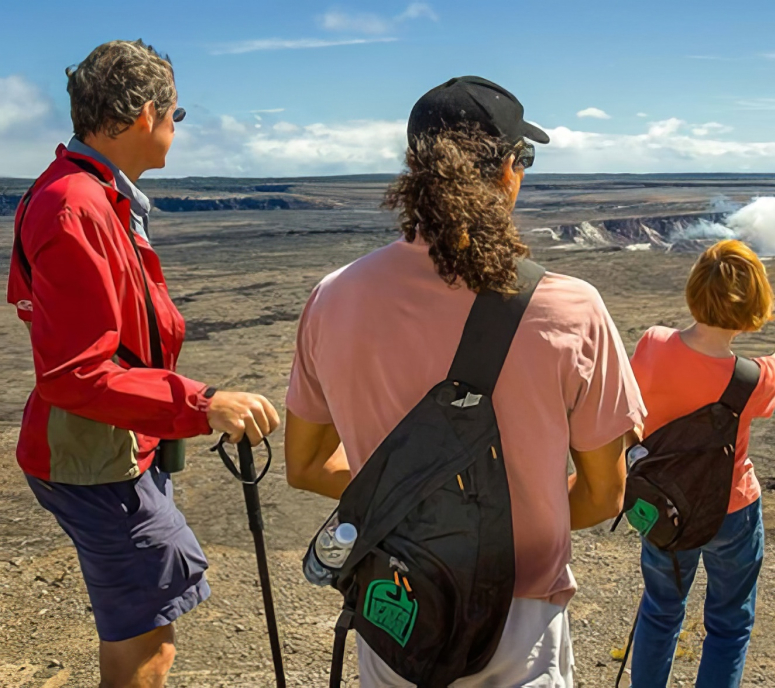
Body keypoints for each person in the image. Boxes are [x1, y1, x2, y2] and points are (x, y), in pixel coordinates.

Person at [284, 75, 645, 687]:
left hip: (394, 611)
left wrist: (409, 510)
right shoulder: (571, 310)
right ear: (508, 171)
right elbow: (603, 495)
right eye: (523, 158)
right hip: (519, 622)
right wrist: (500, 524)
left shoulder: (333, 298)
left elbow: (306, 466)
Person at [6, 40, 280, 688]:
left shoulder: (91, 194)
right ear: (147, 114)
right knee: (148, 650)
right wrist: (201, 404)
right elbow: (76, 373)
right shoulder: (77, 206)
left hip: (115, 445)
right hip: (97, 458)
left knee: (139, 636)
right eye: (176, 117)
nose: (175, 132)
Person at [628, 239, 775, 687]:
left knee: (659, 611)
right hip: (731, 511)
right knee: (730, 623)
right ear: (753, 305)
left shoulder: (653, 344)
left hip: (663, 505)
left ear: (695, 289)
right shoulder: (752, 378)